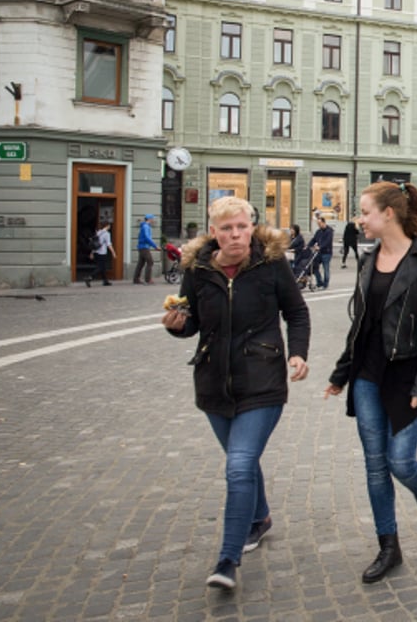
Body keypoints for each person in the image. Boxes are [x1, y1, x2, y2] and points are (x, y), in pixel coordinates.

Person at [162, 196, 311, 590]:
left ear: (251, 226)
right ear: (214, 233)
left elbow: (296, 312)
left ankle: (227, 559)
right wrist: (176, 324)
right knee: (241, 461)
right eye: (226, 228)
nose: (235, 235)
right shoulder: (197, 270)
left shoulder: (271, 263)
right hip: (213, 383)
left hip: (262, 379)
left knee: (240, 464)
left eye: (242, 226)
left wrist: (297, 353)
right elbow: (191, 320)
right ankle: (260, 518)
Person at [323, 182, 417, 583]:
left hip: (408, 376)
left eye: (364, 212)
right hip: (367, 375)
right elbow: (360, 324)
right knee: (376, 467)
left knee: (400, 462)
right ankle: (388, 547)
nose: (360, 219)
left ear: (388, 213)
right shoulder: (367, 259)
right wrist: (342, 373)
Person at [85, 220, 116, 287]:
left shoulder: (98, 232)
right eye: (109, 225)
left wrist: (92, 253)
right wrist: (113, 252)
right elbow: (108, 244)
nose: (110, 226)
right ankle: (90, 277)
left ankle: (105, 281)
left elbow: (94, 243)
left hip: (96, 252)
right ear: (107, 226)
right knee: (100, 267)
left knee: (103, 267)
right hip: (102, 253)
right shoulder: (107, 234)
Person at [306, 216, 334, 289]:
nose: (319, 225)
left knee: (326, 268)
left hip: (326, 252)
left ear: (324, 222)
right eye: (318, 224)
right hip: (319, 252)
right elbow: (314, 239)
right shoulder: (319, 231)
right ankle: (319, 282)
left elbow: (327, 242)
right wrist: (308, 246)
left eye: (320, 223)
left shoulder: (329, 231)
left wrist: (320, 247)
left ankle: (325, 284)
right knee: (314, 266)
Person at [133, 214, 160, 285]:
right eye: (152, 219)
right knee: (150, 262)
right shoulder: (146, 227)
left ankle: (136, 279)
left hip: (141, 246)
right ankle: (148, 279)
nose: (153, 220)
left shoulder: (144, 226)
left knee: (141, 263)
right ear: (149, 219)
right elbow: (147, 238)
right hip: (144, 247)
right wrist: (155, 246)